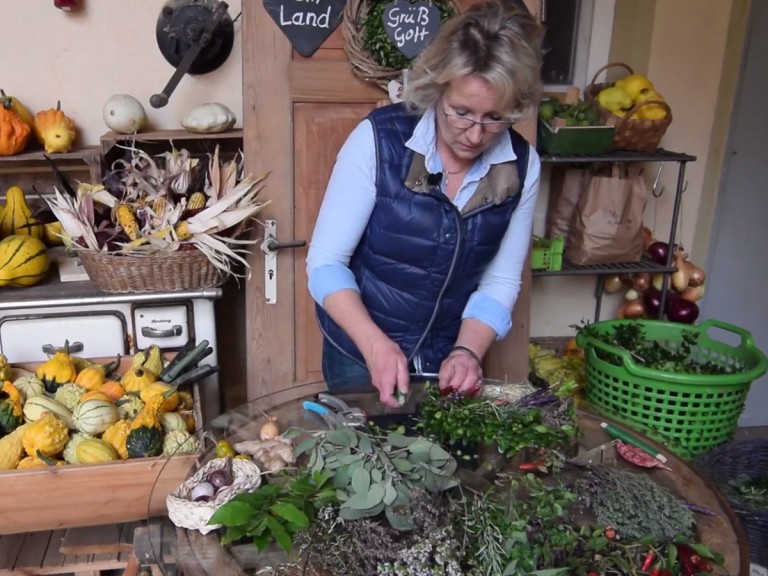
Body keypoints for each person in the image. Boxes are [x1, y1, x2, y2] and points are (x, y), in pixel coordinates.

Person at [306, 0, 544, 407]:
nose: (474, 134)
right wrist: (375, 346)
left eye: (494, 117)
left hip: (444, 357)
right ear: (436, 90)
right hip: (359, 350)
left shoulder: (520, 167)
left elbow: (501, 281)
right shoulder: (378, 141)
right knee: (364, 460)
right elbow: (325, 264)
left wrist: (467, 351)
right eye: (461, 113)